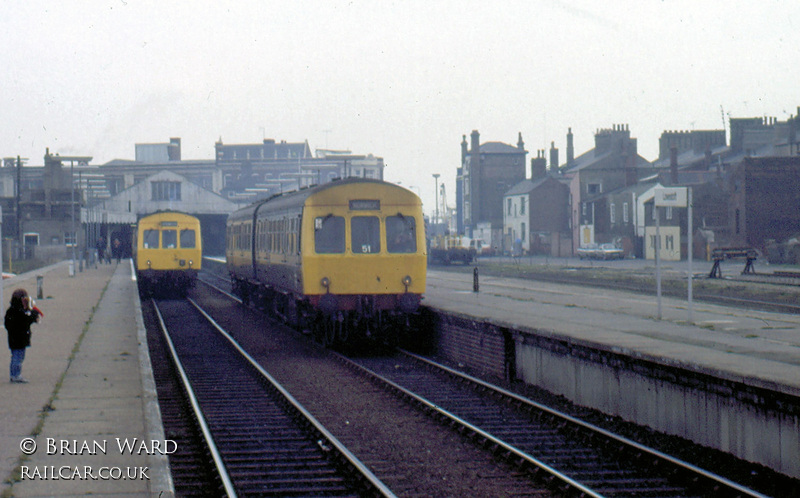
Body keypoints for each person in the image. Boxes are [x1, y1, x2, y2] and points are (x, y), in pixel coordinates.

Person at [5, 288, 42, 383]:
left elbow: (8, 324)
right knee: (18, 357)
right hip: (19, 339)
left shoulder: (11, 311)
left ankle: (14, 374)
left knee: (16, 356)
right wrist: (33, 314)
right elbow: (27, 320)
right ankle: (15, 375)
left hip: (14, 339)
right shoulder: (19, 313)